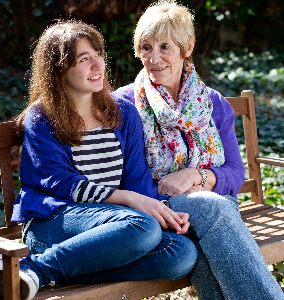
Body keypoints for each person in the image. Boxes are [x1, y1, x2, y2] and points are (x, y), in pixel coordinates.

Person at [0, 20, 198, 300]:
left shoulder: (123, 113)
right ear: (58, 70)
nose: (98, 65)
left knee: (180, 254)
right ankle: (34, 266)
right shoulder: (42, 118)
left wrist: (158, 212)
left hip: (114, 227)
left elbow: (136, 181)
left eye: (98, 54)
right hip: (53, 223)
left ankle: (39, 272)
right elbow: (61, 183)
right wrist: (131, 202)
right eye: (85, 59)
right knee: (142, 228)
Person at [113, 1, 284, 299]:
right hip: (154, 214)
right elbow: (125, 183)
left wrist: (195, 176)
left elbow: (234, 172)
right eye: (146, 47)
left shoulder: (212, 103)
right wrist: (184, 192)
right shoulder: (126, 105)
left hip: (206, 217)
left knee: (205, 246)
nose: (153, 59)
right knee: (214, 209)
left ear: (187, 47)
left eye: (165, 47)